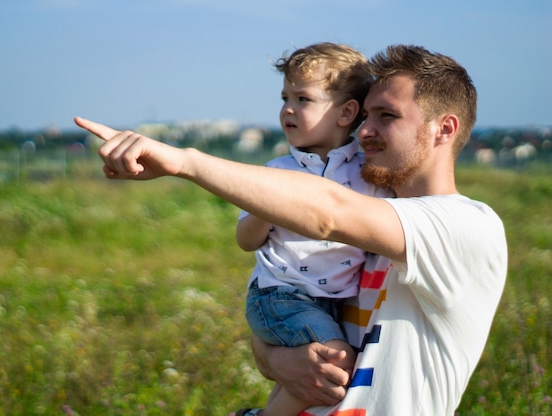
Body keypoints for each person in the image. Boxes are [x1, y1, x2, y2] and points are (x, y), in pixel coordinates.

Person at [74, 44, 508, 415]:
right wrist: (278, 359)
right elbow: (274, 324)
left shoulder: (466, 226)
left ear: (444, 129)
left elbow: (327, 212)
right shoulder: (375, 213)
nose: (366, 131)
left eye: (386, 116)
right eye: (366, 116)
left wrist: (185, 163)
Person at [235, 42, 392, 416]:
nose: (287, 108)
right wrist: (267, 206)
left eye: (303, 99)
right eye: (285, 97)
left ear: (346, 112)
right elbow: (245, 241)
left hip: (331, 302)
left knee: (306, 375)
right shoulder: (277, 171)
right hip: (280, 295)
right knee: (335, 368)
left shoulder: (366, 172)